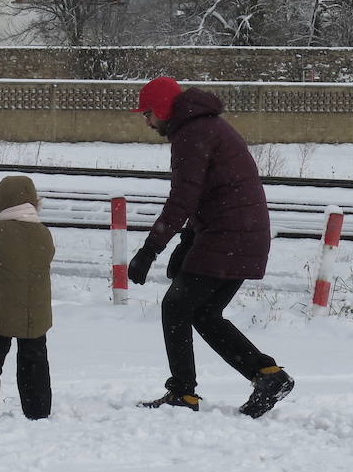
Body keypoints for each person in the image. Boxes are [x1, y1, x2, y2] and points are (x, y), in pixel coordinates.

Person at [126, 77, 295, 418]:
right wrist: (188, 239)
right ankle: (267, 375)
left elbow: (183, 198)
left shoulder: (192, 134)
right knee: (202, 312)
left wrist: (150, 250)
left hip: (229, 236)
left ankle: (183, 394)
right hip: (240, 234)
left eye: (146, 113)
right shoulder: (203, 126)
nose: (145, 121)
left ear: (161, 109)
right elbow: (211, 193)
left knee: (176, 307)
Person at [0, 174, 55, 421]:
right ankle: (38, 409)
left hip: (2, 310)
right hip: (35, 311)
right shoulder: (44, 233)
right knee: (35, 359)